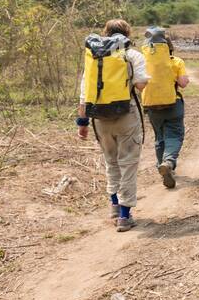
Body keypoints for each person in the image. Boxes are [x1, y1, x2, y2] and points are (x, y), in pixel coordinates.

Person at [76, 19, 148, 231]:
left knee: (111, 162)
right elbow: (142, 85)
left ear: (105, 33)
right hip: (126, 115)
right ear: (126, 34)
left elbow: (84, 95)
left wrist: (83, 123)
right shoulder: (131, 54)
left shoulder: (94, 58)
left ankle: (114, 208)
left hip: (99, 119)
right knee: (128, 164)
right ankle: (125, 217)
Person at [140, 26, 190, 188]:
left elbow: (139, 85)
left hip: (152, 106)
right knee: (175, 134)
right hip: (172, 104)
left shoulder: (143, 62)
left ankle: (162, 166)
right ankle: (168, 162)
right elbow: (183, 83)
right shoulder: (176, 61)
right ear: (168, 47)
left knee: (159, 137)